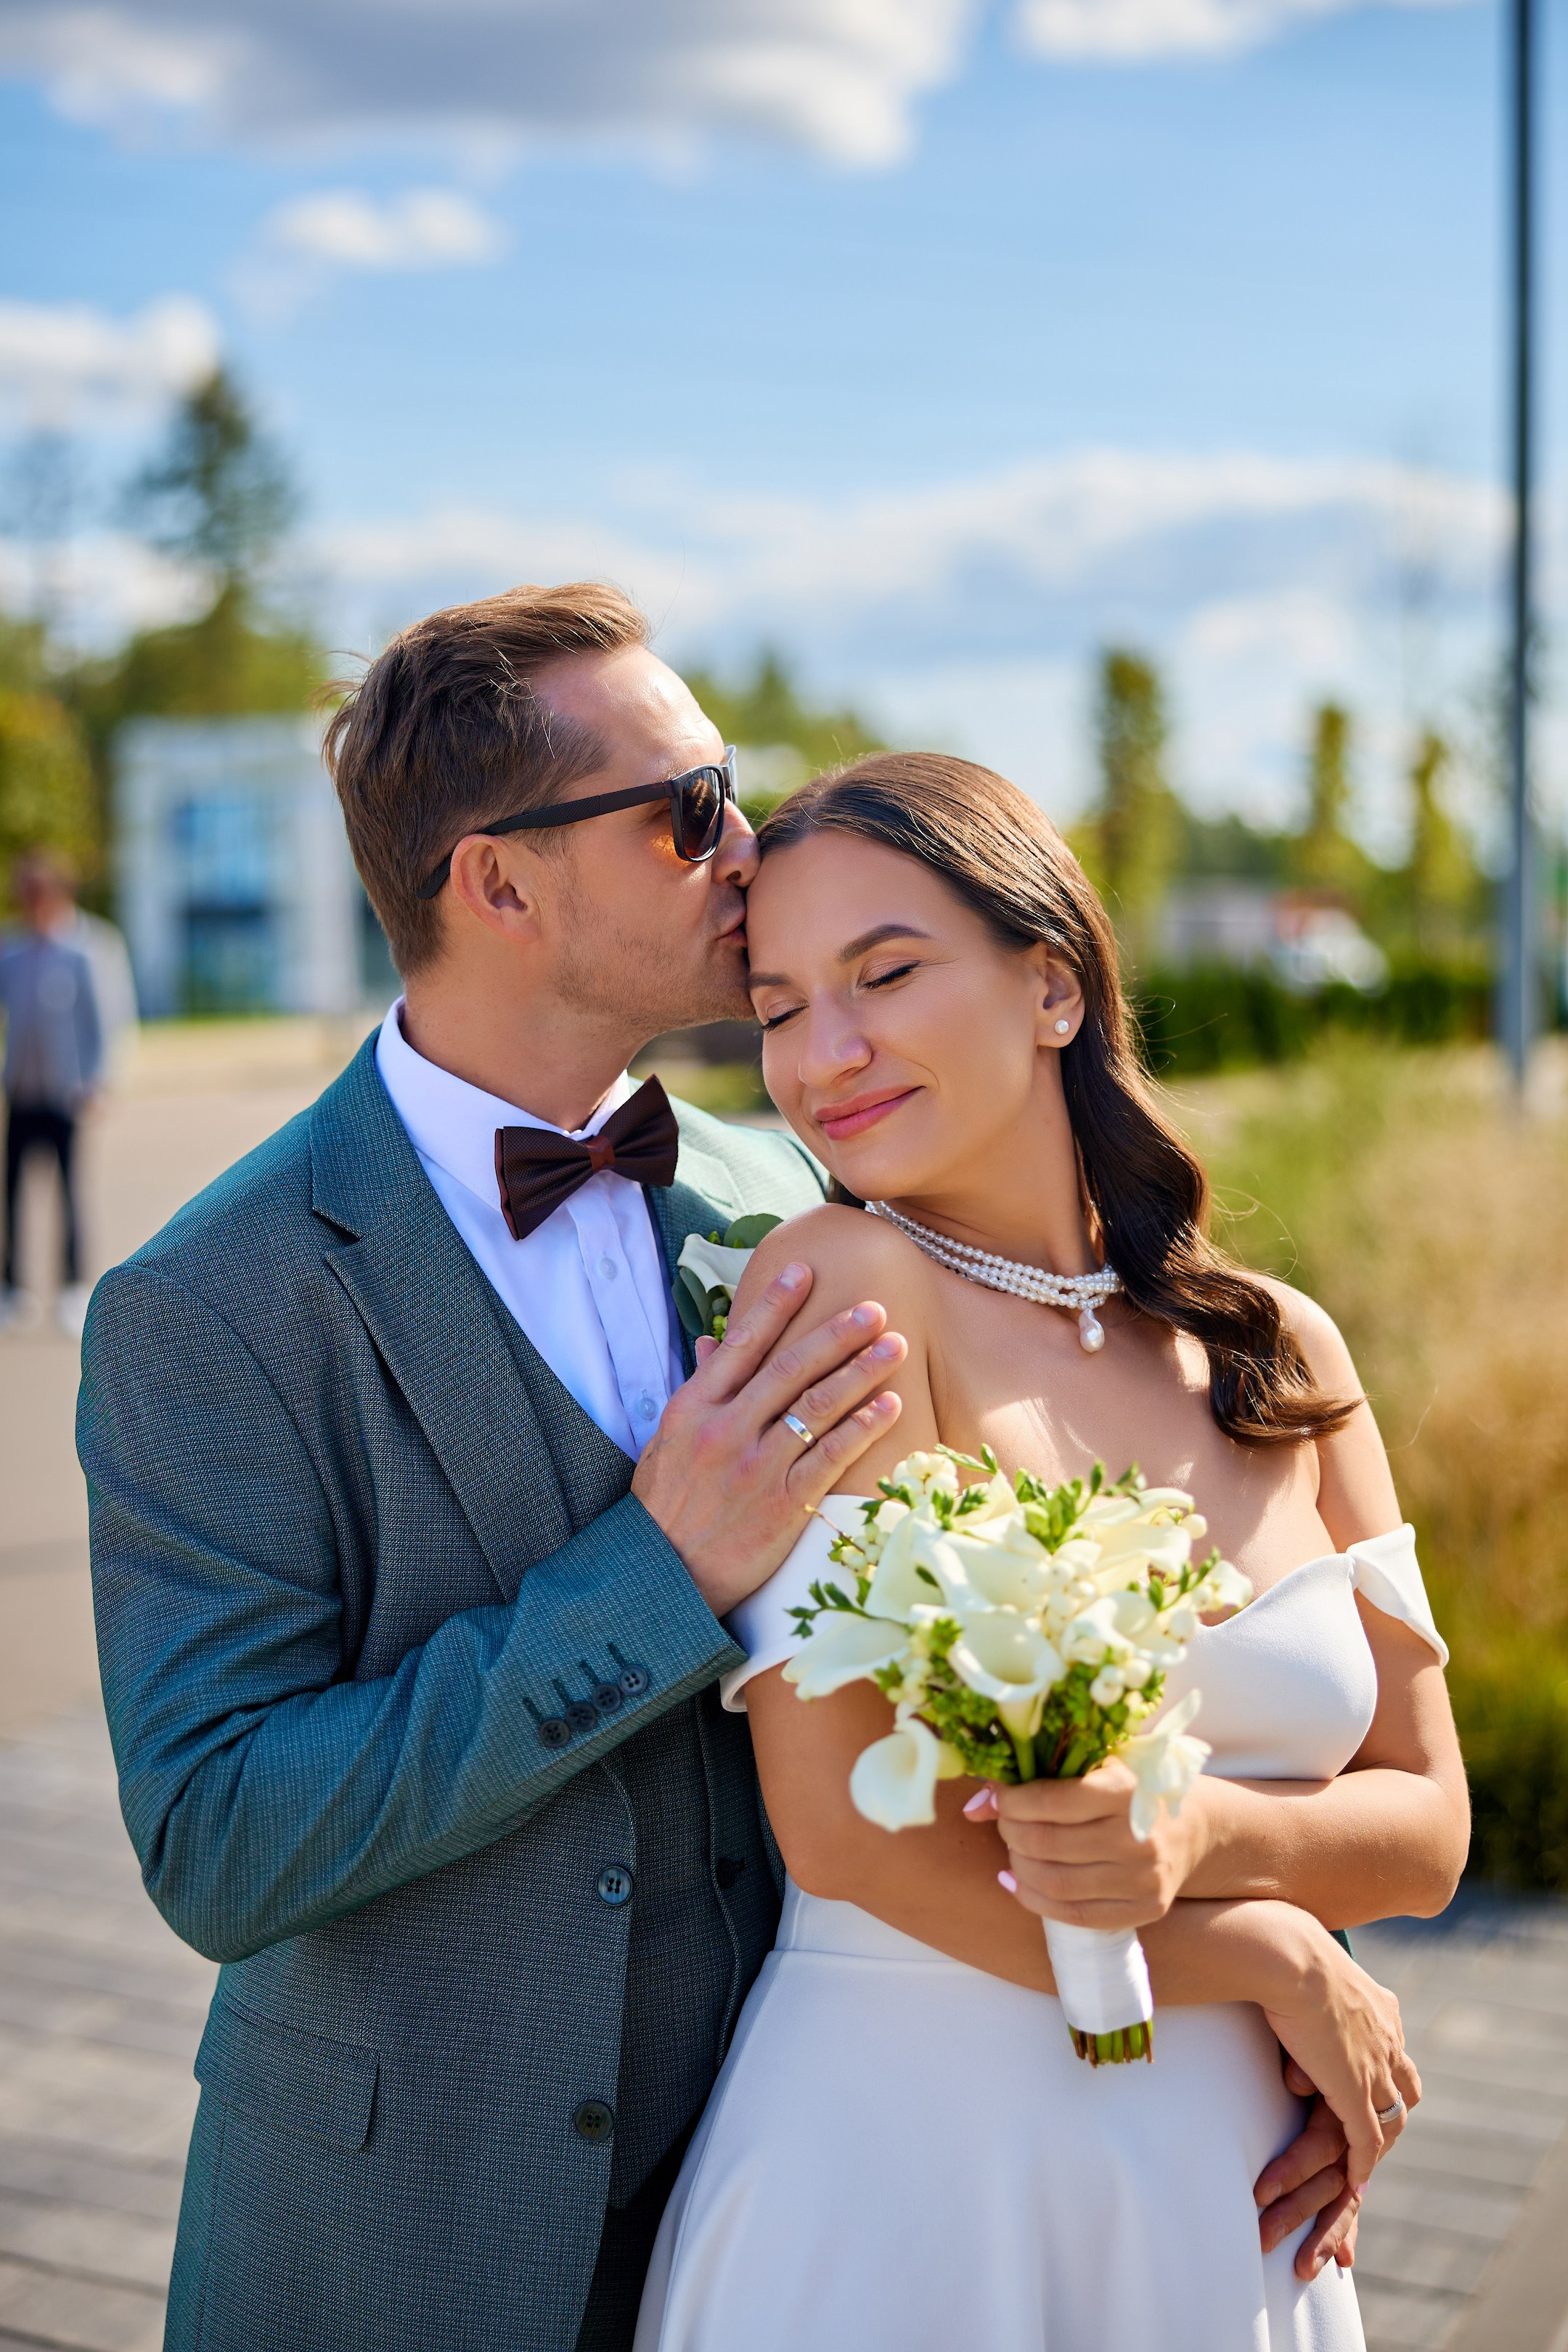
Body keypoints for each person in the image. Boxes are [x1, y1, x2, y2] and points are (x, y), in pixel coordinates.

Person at [78, 589, 1376, 2352]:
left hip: (814, 2165)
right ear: (502, 884)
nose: (745, 842)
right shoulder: (212, 1301)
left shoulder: (812, 1204)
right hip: (414, 2231)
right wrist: (648, 1575)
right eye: (687, 806)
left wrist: (1243, 1965)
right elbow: (217, 1838)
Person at [635, 754, 1469, 2352]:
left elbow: (1428, 1824)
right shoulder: (840, 1284)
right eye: (780, 1005)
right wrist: (1278, 1948)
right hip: (918, 2171)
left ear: (1055, 987)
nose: (826, 1054)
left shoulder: (1288, 1349)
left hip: (1235, 2196)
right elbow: (850, 1832)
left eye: (884, 975)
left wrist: (1201, 1841)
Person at [1, 850, 105, 1337]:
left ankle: (71, 1285)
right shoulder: (11, 952)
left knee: (68, 1192)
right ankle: (12, 1286)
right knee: (12, 1194)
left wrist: (98, 1079)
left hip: (65, 1094)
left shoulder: (83, 950)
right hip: (20, 1091)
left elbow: (101, 1021)